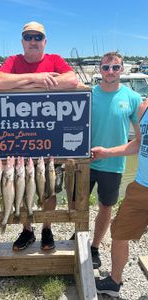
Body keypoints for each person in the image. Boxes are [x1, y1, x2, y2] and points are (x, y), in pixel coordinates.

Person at [0, 21, 79, 251]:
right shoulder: (13, 61)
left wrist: (20, 83)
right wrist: (39, 79)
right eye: (28, 37)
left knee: (49, 189)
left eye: (37, 37)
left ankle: (47, 229)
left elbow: (72, 80)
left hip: (50, 137)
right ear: (22, 41)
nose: (33, 41)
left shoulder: (55, 59)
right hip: (18, 137)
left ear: (45, 41)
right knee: (22, 187)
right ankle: (27, 230)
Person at [85, 51, 142, 269]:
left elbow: (138, 141)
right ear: (100, 69)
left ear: (122, 70)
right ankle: (78, 237)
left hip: (113, 163)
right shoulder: (88, 94)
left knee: (105, 208)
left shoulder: (133, 98)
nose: (110, 72)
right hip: (86, 162)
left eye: (115, 68)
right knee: (76, 204)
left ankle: (94, 247)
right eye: (106, 67)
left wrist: (109, 152)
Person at [92, 99, 148, 297]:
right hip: (140, 186)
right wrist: (107, 152)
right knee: (119, 233)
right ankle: (114, 282)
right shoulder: (143, 107)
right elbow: (139, 143)